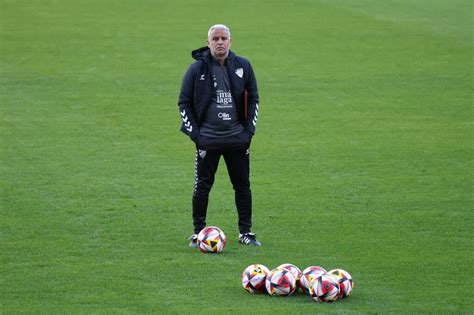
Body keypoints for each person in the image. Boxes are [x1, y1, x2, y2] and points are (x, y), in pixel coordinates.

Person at [178, 24, 261, 247]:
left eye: (224, 38)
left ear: (230, 41)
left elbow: (253, 98)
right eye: (215, 38)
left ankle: (246, 232)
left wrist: (248, 132)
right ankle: (198, 232)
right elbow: (183, 103)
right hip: (208, 139)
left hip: (237, 139)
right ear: (208, 43)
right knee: (202, 186)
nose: (220, 42)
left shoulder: (243, 65)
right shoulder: (196, 70)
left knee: (242, 185)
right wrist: (196, 136)